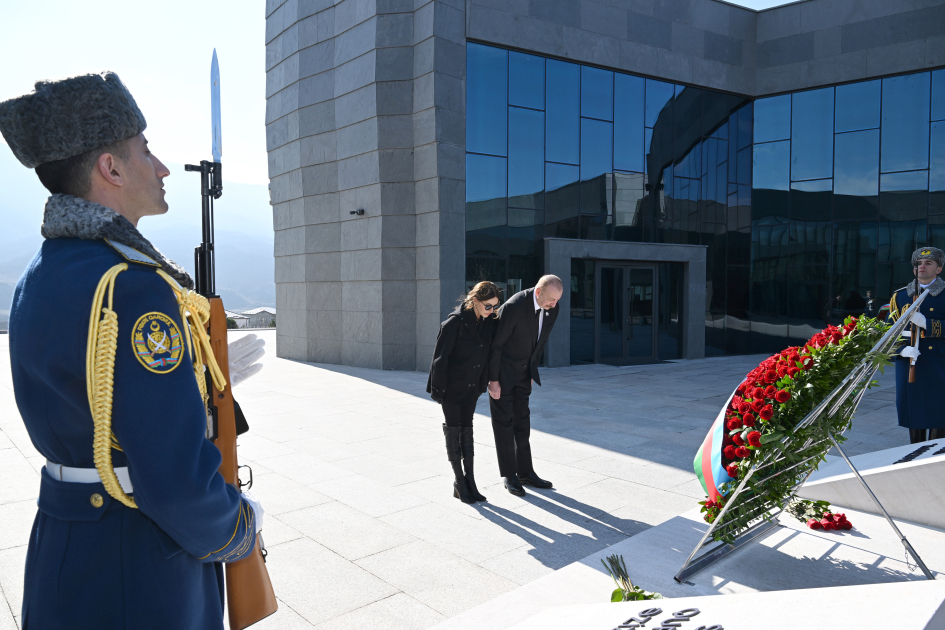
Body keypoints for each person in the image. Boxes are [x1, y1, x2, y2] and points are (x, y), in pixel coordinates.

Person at [0, 72, 265, 629]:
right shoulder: (133, 286)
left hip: (67, 549)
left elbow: (91, 402)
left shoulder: (39, 274)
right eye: (145, 149)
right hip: (139, 564)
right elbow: (174, 483)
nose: (163, 167)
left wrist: (186, 384)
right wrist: (238, 525)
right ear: (110, 168)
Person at [487, 275, 563, 496]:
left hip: (523, 375)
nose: (554, 305)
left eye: (557, 300)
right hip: (502, 375)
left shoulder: (552, 309)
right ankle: (510, 475)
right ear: (538, 292)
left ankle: (526, 472)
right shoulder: (514, 307)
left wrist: (531, 370)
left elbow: (541, 342)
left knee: (522, 423)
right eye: (551, 299)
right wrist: (493, 380)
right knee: (504, 425)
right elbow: (496, 345)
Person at [427, 282, 501, 503]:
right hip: (451, 387)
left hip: (471, 387)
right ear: (475, 301)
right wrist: (439, 391)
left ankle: (470, 480)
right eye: (488, 306)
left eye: (495, 307)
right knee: (454, 431)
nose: (492, 311)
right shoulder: (454, 322)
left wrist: (484, 382)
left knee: (467, 431)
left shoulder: (489, 322)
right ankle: (459, 481)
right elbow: (439, 359)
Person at [887, 247, 945, 444]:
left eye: (928, 263)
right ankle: (915, 452)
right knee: (914, 412)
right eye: (918, 264)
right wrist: (902, 350)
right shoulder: (901, 296)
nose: (922, 267)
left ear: (939, 269)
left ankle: (935, 455)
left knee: (940, 412)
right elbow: (888, 331)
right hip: (911, 363)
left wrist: (927, 324)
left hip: (939, 364)